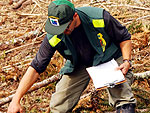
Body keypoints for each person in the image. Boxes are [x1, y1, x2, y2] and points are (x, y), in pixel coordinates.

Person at [7, 0, 137, 113]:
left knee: (123, 99)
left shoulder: (99, 17)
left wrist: (126, 61)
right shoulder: (54, 35)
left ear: (75, 16)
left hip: (109, 57)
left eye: (65, 27)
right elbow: (36, 67)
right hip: (79, 64)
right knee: (58, 105)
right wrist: (16, 100)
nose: (63, 32)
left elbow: (124, 38)